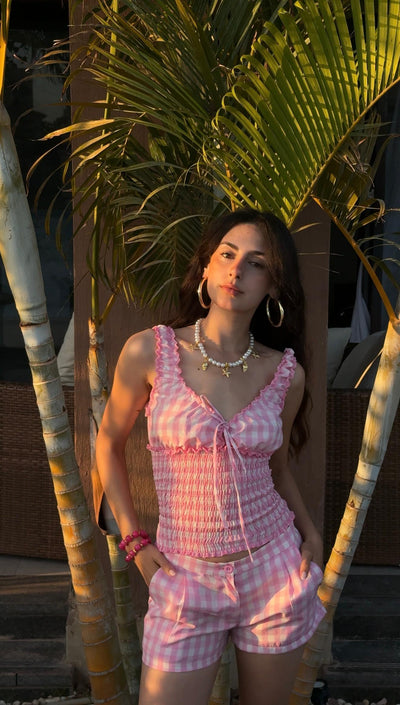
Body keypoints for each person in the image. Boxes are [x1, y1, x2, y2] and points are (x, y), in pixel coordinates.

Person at [95, 208, 326, 705]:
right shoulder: (150, 352)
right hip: (184, 578)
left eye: (256, 263)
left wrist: (310, 533)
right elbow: (108, 442)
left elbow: (278, 468)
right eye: (227, 254)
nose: (236, 270)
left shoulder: (285, 374)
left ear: (273, 285)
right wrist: (134, 542)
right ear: (205, 267)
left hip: (273, 571)